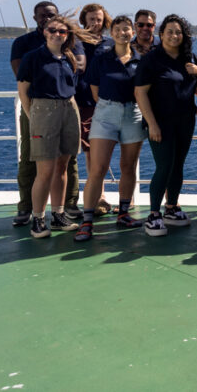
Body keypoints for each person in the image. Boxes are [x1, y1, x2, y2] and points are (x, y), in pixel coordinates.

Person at [9, 1, 85, 226]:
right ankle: (36, 217)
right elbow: (23, 89)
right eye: (52, 30)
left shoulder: (69, 56)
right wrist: (33, 115)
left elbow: (75, 77)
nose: (56, 33)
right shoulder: (31, 54)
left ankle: (59, 213)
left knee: (63, 165)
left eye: (62, 30)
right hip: (42, 110)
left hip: (68, 109)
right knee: (43, 168)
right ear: (42, 28)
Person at [74, 14, 145, 241]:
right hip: (105, 113)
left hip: (133, 113)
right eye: (118, 29)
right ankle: (87, 221)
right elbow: (94, 89)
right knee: (98, 168)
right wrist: (109, 106)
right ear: (111, 33)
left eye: (127, 29)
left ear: (132, 33)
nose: (123, 33)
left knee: (128, 166)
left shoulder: (140, 60)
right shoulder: (102, 58)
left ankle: (123, 213)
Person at [134, 14, 197, 237]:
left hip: (184, 120)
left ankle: (171, 207)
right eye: (170, 31)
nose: (174, 35)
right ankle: (154, 214)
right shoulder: (152, 60)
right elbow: (140, 93)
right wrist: (152, 123)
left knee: (178, 165)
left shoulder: (190, 57)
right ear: (161, 34)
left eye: (179, 32)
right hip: (160, 122)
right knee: (164, 166)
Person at [77, 3, 115, 216]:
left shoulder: (109, 43)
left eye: (99, 19)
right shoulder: (75, 42)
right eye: (91, 19)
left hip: (105, 102)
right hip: (82, 102)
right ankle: (93, 197)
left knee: (97, 152)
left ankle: (98, 197)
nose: (95, 23)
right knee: (88, 152)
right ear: (85, 20)